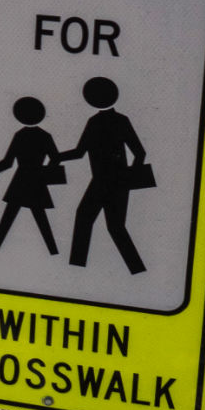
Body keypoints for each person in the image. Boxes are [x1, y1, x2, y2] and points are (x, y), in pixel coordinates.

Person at [59, 76, 150, 274]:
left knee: (102, 223)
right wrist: (128, 176)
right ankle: (77, 268)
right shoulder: (113, 120)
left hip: (107, 182)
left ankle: (135, 271)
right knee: (103, 223)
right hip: (110, 182)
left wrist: (57, 157)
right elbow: (139, 153)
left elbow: (79, 152)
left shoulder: (99, 122)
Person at [0, 96, 63, 254]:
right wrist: (45, 173)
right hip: (37, 181)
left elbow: (8, 162)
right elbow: (56, 159)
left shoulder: (20, 135)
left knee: (9, 217)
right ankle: (53, 250)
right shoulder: (45, 136)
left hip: (21, 180)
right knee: (40, 218)